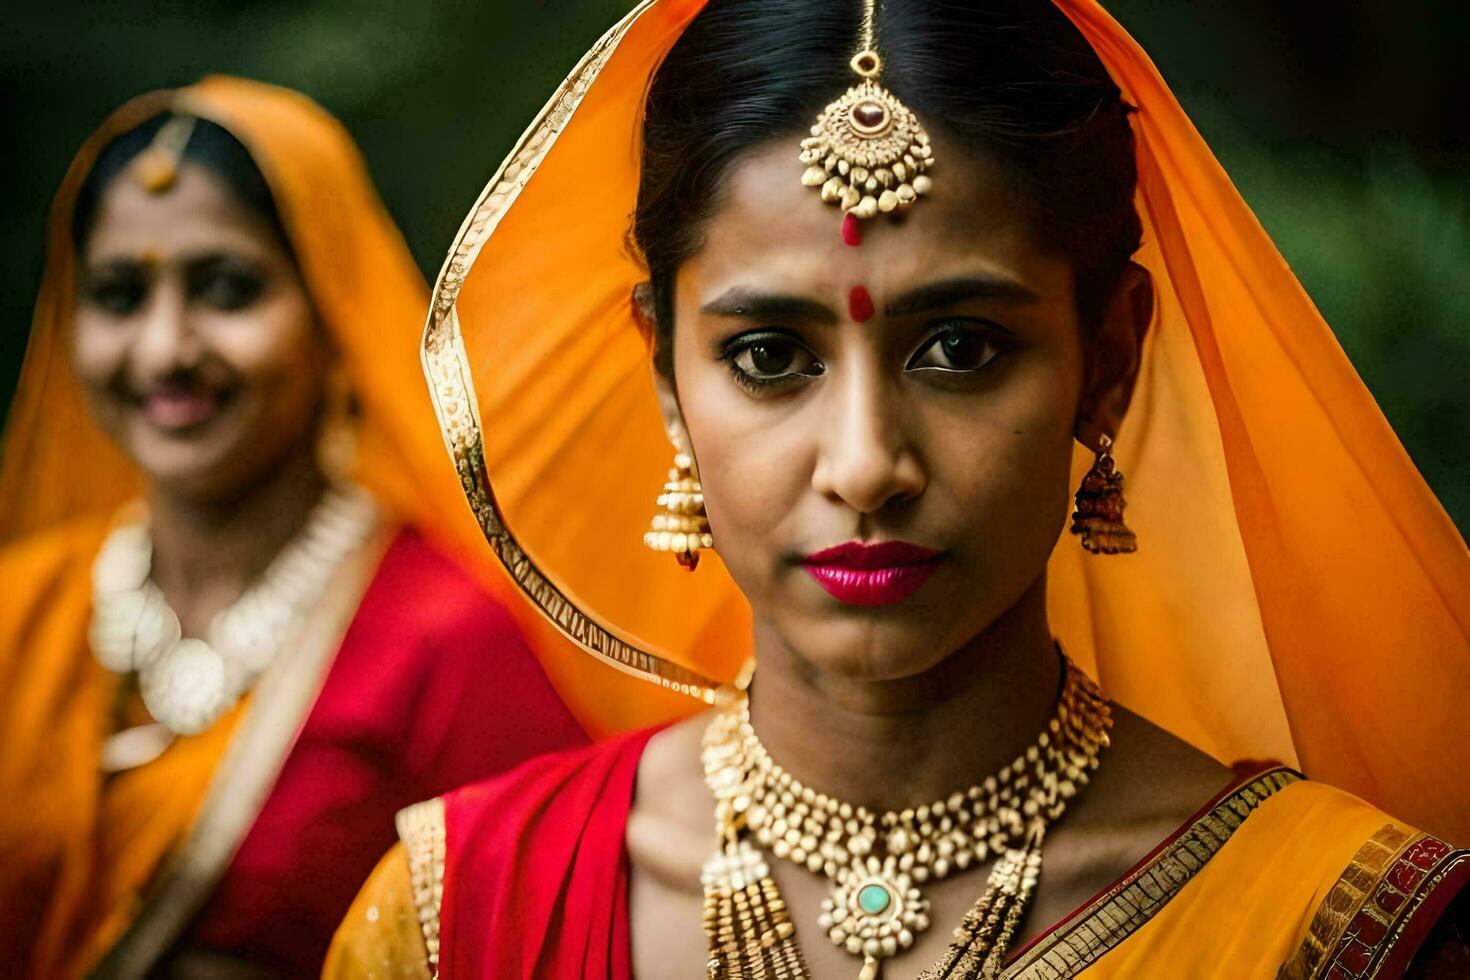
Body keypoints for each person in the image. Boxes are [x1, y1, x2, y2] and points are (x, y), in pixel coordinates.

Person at [327, 1, 1469, 977]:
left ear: (1107, 359)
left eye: (962, 348)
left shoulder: (1329, 927)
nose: (867, 463)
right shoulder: (452, 916)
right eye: (770, 356)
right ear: (664, 373)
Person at [0, 77, 594, 978]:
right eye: (120, 295)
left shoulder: (449, 644)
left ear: (331, 315)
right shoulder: (21, 610)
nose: (165, 350)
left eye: (226, 289)